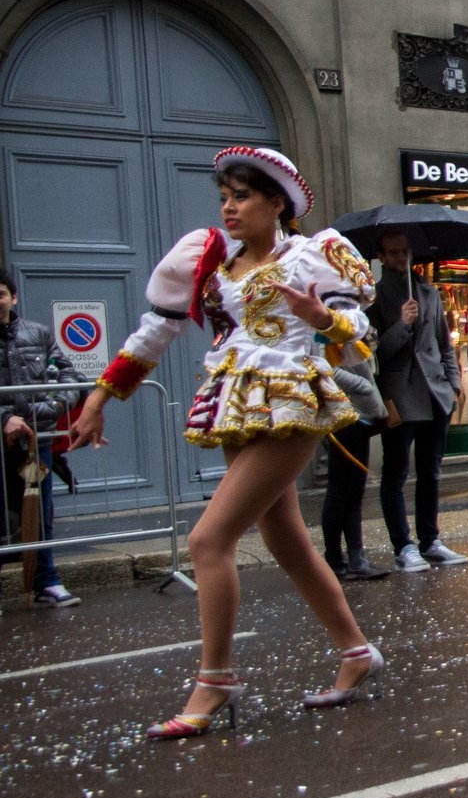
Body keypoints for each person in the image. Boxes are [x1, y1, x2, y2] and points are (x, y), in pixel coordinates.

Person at [69, 145, 385, 736]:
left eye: (241, 197)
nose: (229, 208)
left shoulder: (312, 256)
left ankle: (214, 680)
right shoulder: (213, 263)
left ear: (277, 203)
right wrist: (98, 398)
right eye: (225, 198)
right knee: (287, 542)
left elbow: (359, 324)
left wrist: (324, 322)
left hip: (291, 399)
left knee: (208, 540)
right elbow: (154, 333)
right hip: (235, 404)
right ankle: (356, 653)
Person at [371, 230, 468, 573]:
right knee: (396, 474)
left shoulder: (428, 291)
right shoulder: (375, 296)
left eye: (405, 253)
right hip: (400, 396)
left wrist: (454, 385)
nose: (401, 259)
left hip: (435, 395)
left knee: (431, 472)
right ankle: (403, 546)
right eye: (394, 254)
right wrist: (402, 324)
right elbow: (373, 352)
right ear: (381, 257)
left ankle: (431, 540)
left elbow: (444, 342)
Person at [0, 272, 82, 606]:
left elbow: (70, 374)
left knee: (40, 512)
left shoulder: (37, 332)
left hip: (37, 442)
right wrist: (5, 418)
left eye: (1, 293)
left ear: (13, 298)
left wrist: (52, 407)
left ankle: (46, 581)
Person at [319, 357, 389, 581]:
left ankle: (356, 559)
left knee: (354, 490)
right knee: (340, 491)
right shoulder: (330, 326)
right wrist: (364, 387)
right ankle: (334, 559)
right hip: (343, 414)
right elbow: (321, 364)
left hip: (360, 414)